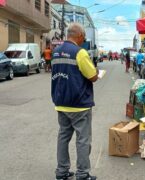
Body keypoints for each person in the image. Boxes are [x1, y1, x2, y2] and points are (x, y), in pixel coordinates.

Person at [51, 23, 98, 180]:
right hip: (79, 105)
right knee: (83, 139)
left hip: (61, 103)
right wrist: (96, 71)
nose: (83, 40)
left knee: (63, 137)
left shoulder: (56, 52)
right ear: (78, 36)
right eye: (83, 37)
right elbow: (93, 76)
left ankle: (62, 171)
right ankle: (83, 174)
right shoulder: (80, 53)